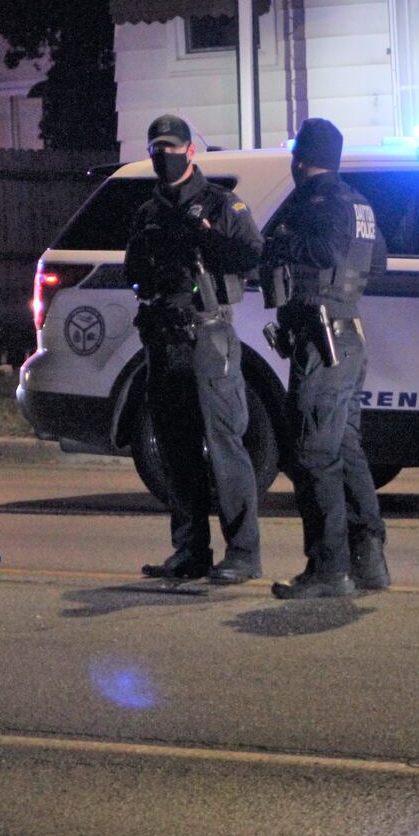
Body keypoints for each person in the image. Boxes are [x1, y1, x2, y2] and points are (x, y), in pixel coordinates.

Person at [126, 114, 265, 585]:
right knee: (176, 450)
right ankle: (190, 551)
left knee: (225, 443)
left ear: (190, 151)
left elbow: (250, 256)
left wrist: (204, 234)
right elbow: (133, 272)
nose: (162, 156)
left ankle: (243, 553)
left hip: (208, 335)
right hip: (164, 342)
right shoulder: (147, 213)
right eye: (155, 148)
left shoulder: (222, 204)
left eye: (170, 147)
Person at [262, 117, 389, 599]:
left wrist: (280, 245)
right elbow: (378, 261)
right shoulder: (359, 202)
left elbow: (323, 248)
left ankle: (328, 569)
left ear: (301, 157)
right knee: (346, 448)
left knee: (314, 454)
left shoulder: (316, 202)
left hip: (322, 341)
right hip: (348, 332)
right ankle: (368, 562)